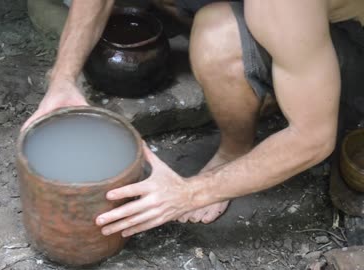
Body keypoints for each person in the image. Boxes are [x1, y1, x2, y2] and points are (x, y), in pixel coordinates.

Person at [22, 0, 364, 238]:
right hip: (293, 28)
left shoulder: (281, 9)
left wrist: (189, 194)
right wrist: (62, 80)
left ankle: (245, 140)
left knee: (217, 40)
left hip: (349, 41)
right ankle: (241, 139)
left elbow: (313, 137)